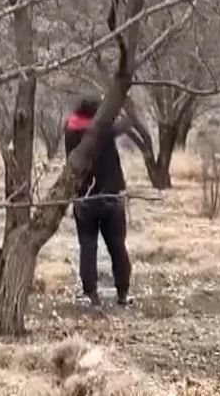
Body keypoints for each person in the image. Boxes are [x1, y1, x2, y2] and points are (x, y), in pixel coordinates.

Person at [63, 98, 133, 307]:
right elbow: (126, 124)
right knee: (117, 246)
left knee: (87, 246)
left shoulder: (70, 129)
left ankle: (91, 293)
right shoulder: (103, 130)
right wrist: (129, 106)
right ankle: (122, 291)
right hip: (111, 195)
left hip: (84, 197)